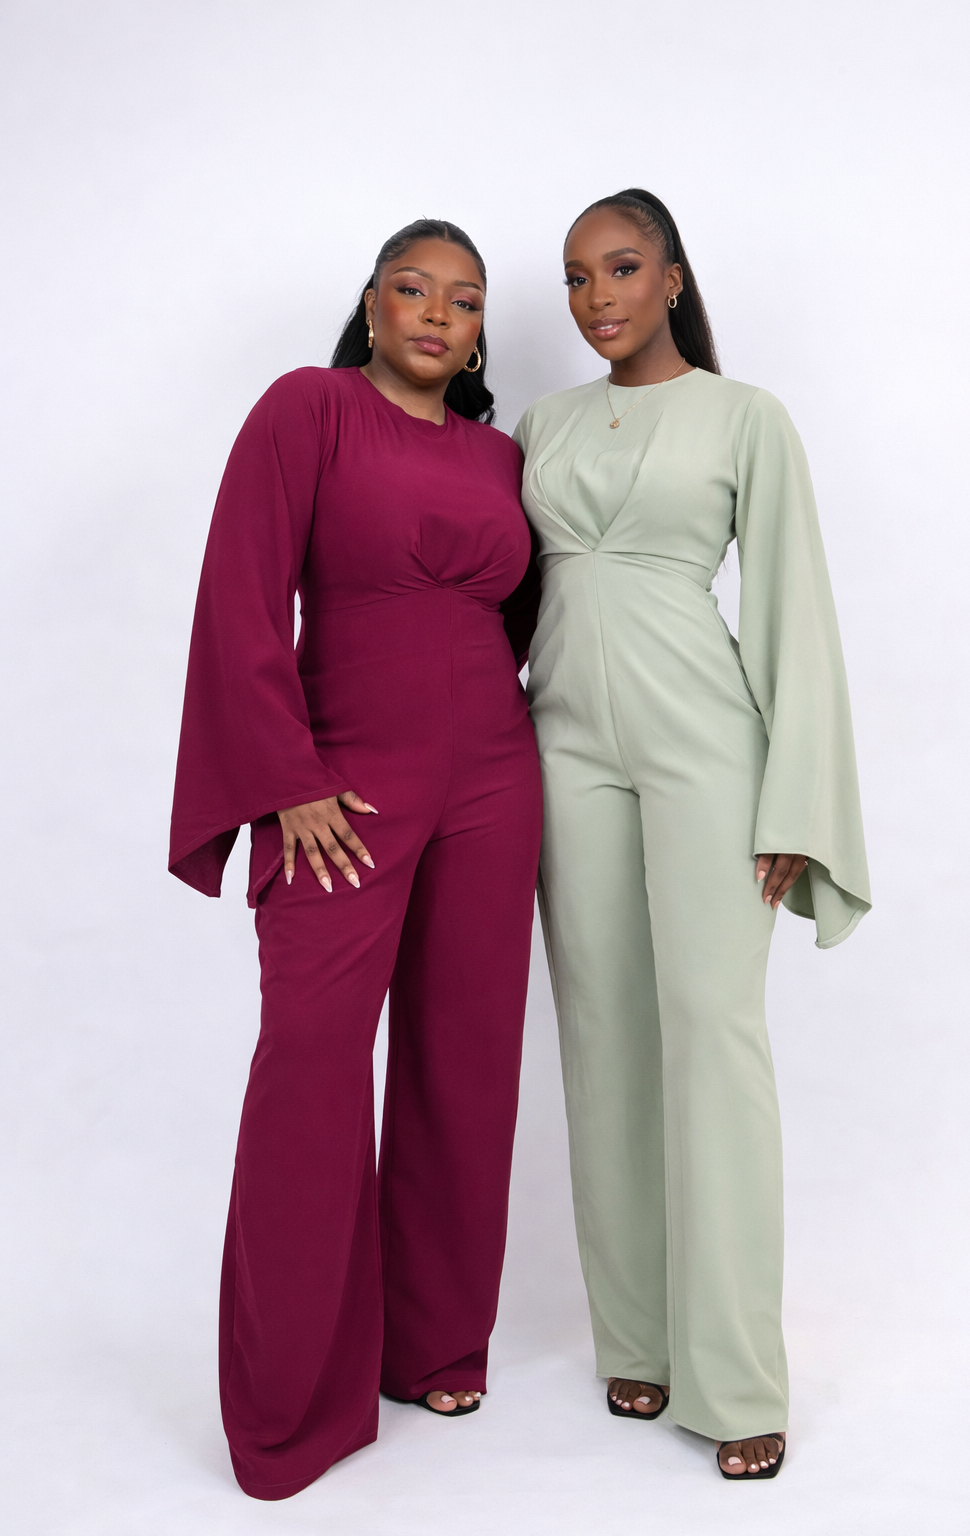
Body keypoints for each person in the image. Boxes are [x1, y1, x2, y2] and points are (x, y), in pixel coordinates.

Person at [169, 219, 542, 1500]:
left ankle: (434, 1343)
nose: (437, 313)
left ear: (479, 333)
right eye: (412, 289)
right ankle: (290, 1403)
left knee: (463, 1058)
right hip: (342, 791)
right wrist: (285, 778)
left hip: (494, 781)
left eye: (464, 300)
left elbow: (526, 616)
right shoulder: (309, 411)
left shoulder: (499, 456)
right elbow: (241, 592)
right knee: (312, 1068)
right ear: (371, 306)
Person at [514, 188, 870, 1480]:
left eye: (620, 268)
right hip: (563, 745)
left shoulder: (744, 417)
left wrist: (797, 803)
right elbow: (500, 597)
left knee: (713, 1038)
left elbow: (791, 607)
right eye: (575, 277)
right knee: (603, 1036)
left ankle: (736, 1376)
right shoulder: (541, 426)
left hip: (704, 747)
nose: (596, 297)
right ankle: (640, 1337)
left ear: (671, 278)